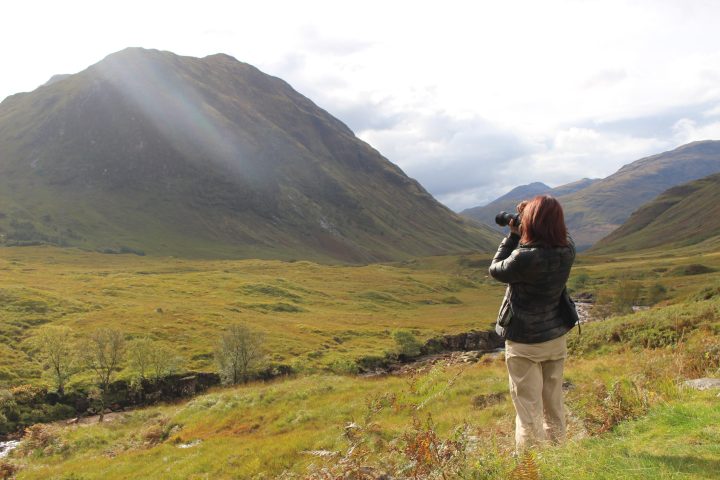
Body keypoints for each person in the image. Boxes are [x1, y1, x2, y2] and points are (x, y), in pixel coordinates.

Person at [488, 195, 576, 451]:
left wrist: (514, 235)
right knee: (553, 404)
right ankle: (560, 458)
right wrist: (536, 218)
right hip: (556, 338)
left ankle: (530, 469)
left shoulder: (524, 257)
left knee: (529, 411)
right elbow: (559, 233)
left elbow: (495, 269)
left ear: (531, 223)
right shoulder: (567, 250)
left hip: (524, 342)